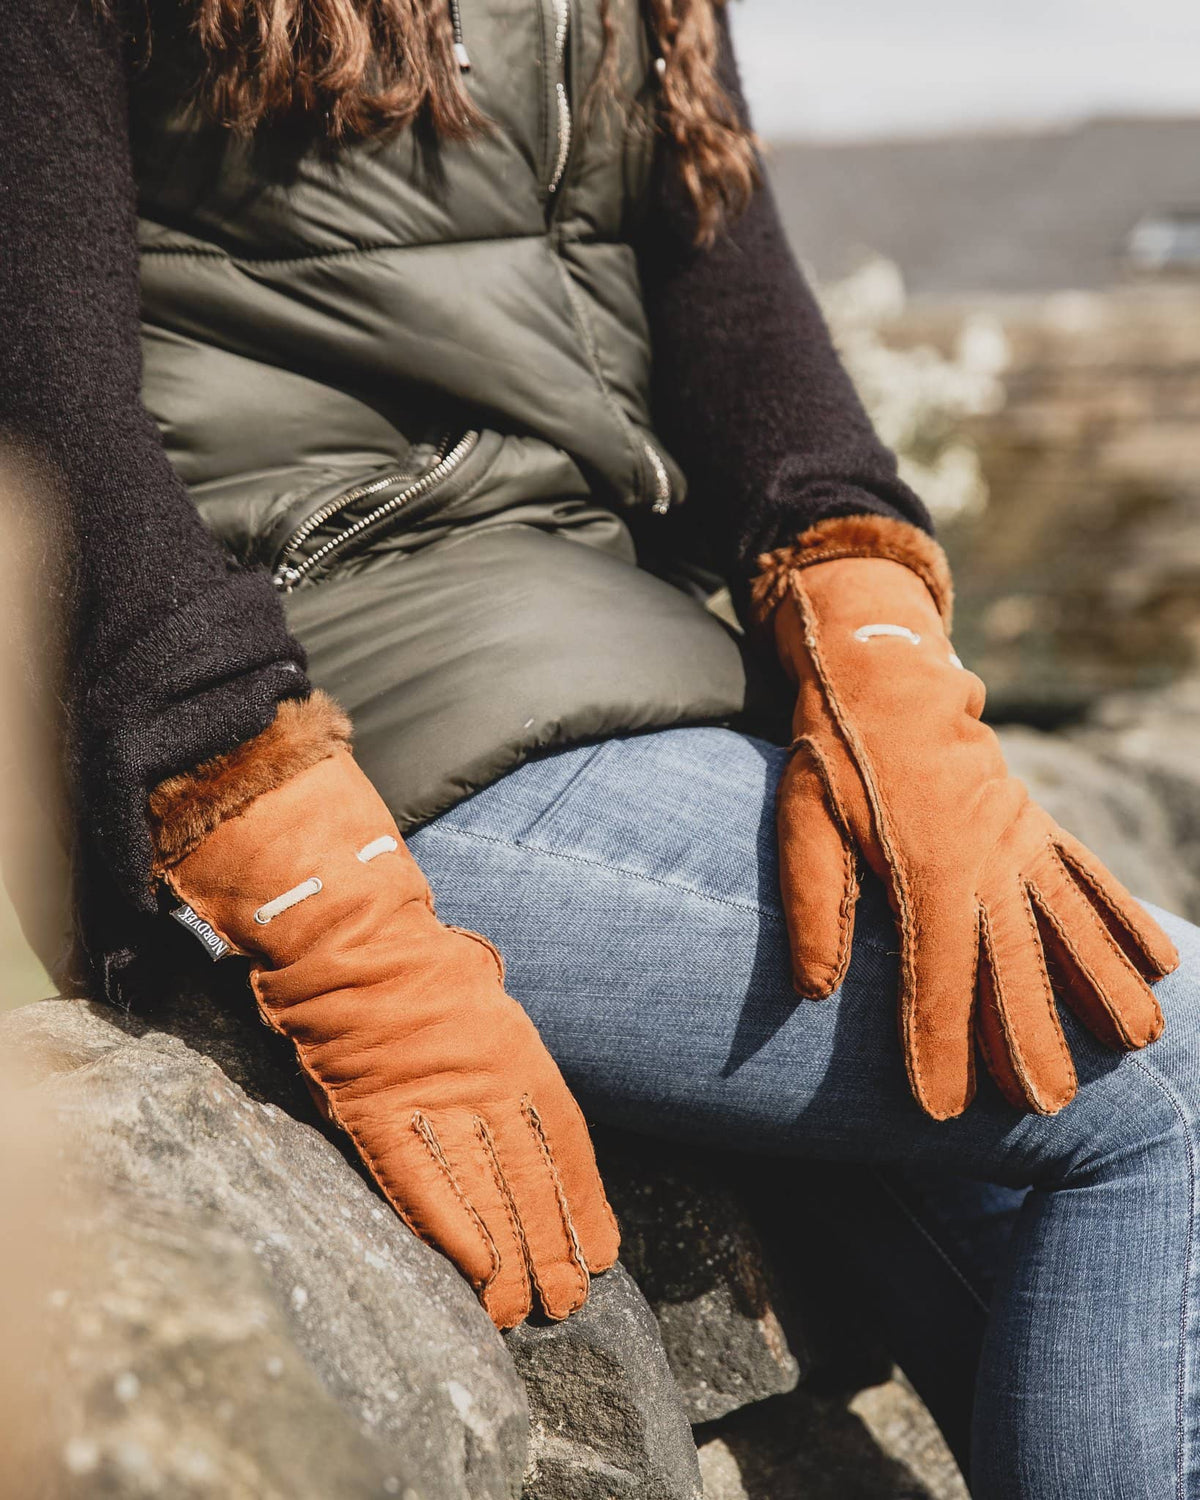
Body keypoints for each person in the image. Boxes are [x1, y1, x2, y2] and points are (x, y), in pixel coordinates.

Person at [2, 0, 1198, 1493]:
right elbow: (42, 416)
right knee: (1170, 1076)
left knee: (1058, 1167)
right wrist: (303, 878)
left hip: (613, 657)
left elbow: (746, 331)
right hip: (339, 714)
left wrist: (873, 632)